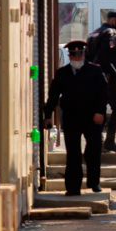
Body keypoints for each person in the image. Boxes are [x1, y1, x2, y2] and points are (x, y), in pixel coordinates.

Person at [43, 40, 108, 195]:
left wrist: (100, 112)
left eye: (80, 54)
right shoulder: (62, 73)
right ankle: (73, 187)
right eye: (74, 55)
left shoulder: (95, 70)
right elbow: (53, 95)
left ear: (84, 54)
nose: (77, 58)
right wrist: (48, 116)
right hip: (72, 117)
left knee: (93, 150)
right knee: (73, 153)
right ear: (69, 55)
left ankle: (94, 182)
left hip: (92, 118)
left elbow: (103, 93)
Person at [86, 10, 116, 153]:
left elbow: (87, 57)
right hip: (105, 78)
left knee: (100, 109)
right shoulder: (109, 33)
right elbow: (104, 54)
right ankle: (109, 141)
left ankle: (99, 142)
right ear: (113, 21)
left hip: (93, 79)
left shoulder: (93, 33)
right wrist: (104, 73)